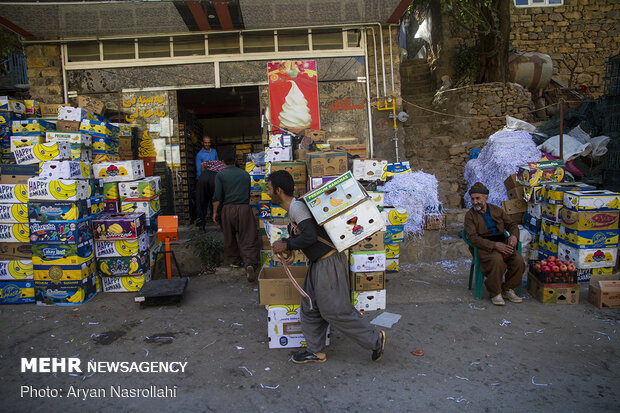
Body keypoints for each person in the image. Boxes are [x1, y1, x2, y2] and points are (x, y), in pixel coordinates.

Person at [268, 170, 386, 364]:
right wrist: (287, 241)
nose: (267, 193)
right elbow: (306, 235)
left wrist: (287, 245)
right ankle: (316, 351)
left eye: (270, 189)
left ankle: (375, 339)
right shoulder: (294, 210)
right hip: (318, 264)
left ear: (279, 191)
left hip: (328, 262)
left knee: (334, 311)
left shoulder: (297, 208)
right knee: (310, 307)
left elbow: (310, 237)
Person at [464, 182, 525, 306]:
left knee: (518, 260)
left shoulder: (497, 210)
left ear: (486, 198)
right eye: (473, 199)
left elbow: (512, 225)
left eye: (478, 198)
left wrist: (513, 236)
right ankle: (495, 292)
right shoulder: (470, 215)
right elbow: (472, 237)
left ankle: (507, 288)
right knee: (497, 261)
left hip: (502, 243)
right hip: (485, 247)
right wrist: (494, 246)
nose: (475, 202)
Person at [212, 149, 259, 282]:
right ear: (235, 160)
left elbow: (217, 196)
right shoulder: (245, 174)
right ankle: (250, 263)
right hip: (244, 208)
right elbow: (249, 192)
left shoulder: (220, 175)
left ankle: (235, 261)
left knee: (229, 236)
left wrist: (215, 212)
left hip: (227, 209)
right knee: (248, 236)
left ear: (222, 162)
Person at [195, 136, 219, 228]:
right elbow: (199, 170)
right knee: (203, 203)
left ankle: (217, 221)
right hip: (204, 179)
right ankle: (202, 225)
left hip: (213, 178)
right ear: (202, 143)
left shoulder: (214, 152)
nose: (207, 144)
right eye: (205, 143)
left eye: (208, 142)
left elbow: (217, 163)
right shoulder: (199, 155)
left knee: (216, 200)